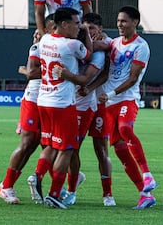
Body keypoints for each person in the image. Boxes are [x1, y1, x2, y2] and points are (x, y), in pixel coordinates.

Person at [27, 7, 92, 209]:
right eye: (76, 22)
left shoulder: (45, 40)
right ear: (64, 24)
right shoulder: (72, 45)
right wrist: (88, 34)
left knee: (50, 145)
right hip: (63, 104)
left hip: (44, 101)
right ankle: (54, 194)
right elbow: (88, 55)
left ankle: (37, 175)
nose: (79, 26)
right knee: (67, 149)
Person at [97, 5, 158, 209]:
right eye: (118, 21)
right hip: (109, 104)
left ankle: (148, 175)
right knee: (121, 150)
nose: (120, 25)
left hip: (126, 98)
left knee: (125, 128)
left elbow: (133, 79)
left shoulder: (141, 46)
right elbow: (99, 51)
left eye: (124, 21)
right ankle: (144, 194)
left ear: (135, 22)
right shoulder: (113, 43)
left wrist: (111, 93)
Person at [55, 13, 114, 207]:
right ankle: (71, 190)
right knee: (72, 149)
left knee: (101, 149)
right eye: (84, 29)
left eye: (92, 30)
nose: (88, 34)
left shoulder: (104, 46)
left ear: (100, 30)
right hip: (79, 104)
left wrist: (89, 87)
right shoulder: (74, 45)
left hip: (98, 103)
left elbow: (105, 73)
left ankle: (107, 194)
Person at [0, 15, 55, 204]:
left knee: (49, 146)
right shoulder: (38, 46)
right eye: (52, 27)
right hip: (34, 99)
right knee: (28, 143)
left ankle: (55, 186)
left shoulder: (62, 45)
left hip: (51, 101)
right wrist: (58, 69)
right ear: (45, 29)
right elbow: (31, 73)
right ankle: (6, 186)